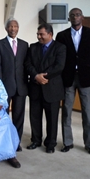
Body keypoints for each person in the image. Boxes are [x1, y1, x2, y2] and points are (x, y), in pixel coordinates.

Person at [56, 8, 90, 155]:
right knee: (67, 111)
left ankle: (89, 144)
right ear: (69, 18)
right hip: (68, 77)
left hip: (85, 77)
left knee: (87, 112)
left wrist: (87, 66)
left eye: (78, 15)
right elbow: (59, 56)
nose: (75, 17)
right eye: (72, 15)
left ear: (83, 17)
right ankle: (68, 142)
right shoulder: (61, 36)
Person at [25, 23, 66, 153]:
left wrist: (44, 76)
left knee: (52, 118)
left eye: (41, 34)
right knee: (35, 116)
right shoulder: (33, 47)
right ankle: (36, 140)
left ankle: (50, 144)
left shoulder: (60, 48)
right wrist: (36, 76)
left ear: (50, 34)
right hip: (36, 88)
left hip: (52, 89)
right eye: (38, 34)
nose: (39, 37)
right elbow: (28, 64)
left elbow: (59, 66)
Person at [0, 18, 29, 151]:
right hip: (4, 88)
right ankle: (3, 142)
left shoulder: (24, 45)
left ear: (18, 28)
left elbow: (26, 65)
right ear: (6, 29)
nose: (13, 29)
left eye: (16, 26)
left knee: (19, 117)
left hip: (21, 87)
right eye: (11, 26)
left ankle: (15, 142)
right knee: (3, 117)